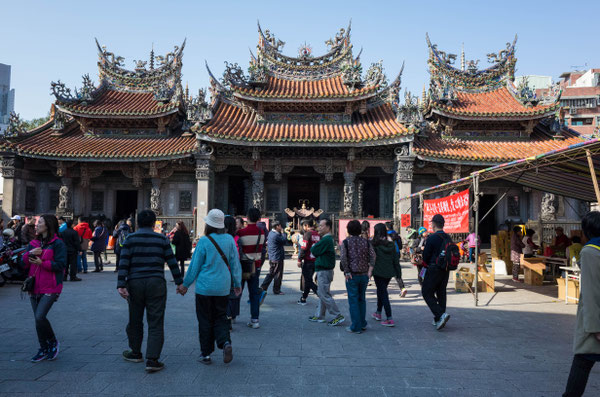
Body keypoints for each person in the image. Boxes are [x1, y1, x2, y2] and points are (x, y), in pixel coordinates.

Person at [117, 209, 183, 373]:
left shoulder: (130, 239)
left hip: (135, 283)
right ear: (154, 223)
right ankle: (152, 360)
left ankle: (135, 352)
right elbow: (172, 262)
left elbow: (123, 262)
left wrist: (121, 284)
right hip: (156, 283)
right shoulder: (161, 239)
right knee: (155, 321)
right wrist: (179, 283)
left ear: (138, 223)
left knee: (135, 319)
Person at [179, 209, 242, 365]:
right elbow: (235, 264)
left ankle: (206, 354)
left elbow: (195, 266)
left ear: (208, 224)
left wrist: (185, 285)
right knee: (221, 316)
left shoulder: (204, 241)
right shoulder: (229, 239)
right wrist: (237, 283)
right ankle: (225, 342)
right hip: (223, 287)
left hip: (204, 288)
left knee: (205, 319)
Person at [563, 211, 600, 397]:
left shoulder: (590, 252)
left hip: (594, 322)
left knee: (582, 362)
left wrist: (595, 327)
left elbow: (591, 292)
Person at [22, 214, 67, 362]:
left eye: (39, 222)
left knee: (40, 316)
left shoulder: (58, 243)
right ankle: (43, 348)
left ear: (47, 224)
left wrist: (43, 262)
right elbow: (24, 264)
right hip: (34, 285)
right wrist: (29, 254)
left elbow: (61, 265)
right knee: (38, 319)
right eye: (36, 222)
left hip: (51, 285)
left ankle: (53, 342)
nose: (36, 224)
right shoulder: (34, 243)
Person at [340, 219, 375, 334]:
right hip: (364, 275)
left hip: (352, 275)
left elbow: (343, 258)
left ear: (349, 230)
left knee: (353, 300)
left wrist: (347, 271)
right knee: (361, 299)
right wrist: (370, 270)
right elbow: (373, 256)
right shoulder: (365, 242)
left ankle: (356, 326)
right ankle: (362, 323)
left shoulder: (346, 242)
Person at [310, 219, 345, 326]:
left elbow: (314, 250)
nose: (319, 228)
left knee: (324, 293)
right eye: (319, 226)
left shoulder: (326, 239)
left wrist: (314, 247)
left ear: (328, 227)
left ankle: (337, 315)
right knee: (322, 293)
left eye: (321, 226)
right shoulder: (326, 239)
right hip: (324, 270)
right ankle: (320, 315)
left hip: (324, 270)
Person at [236, 208, 266, 329]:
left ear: (246, 218)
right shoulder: (261, 232)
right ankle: (255, 320)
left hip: (243, 266)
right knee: (253, 294)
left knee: (238, 291)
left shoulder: (241, 233)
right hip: (256, 266)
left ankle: (232, 316)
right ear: (259, 218)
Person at [421, 214, 452, 330]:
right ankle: (438, 318)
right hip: (446, 269)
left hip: (434, 268)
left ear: (433, 224)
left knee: (426, 292)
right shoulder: (448, 237)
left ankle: (440, 315)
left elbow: (426, 256)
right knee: (441, 292)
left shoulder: (432, 238)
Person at [369, 223, 400, 327]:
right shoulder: (391, 243)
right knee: (381, 291)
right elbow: (396, 259)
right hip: (389, 272)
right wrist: (398, 274)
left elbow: (371, 258)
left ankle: (389, 318)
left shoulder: (374, 243)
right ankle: (378, 312)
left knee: (383, 293)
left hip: (378, 272)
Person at [224, 215, 242, 326]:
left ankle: (227, 316)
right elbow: (238, 257)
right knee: (232, 294)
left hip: (221, 271)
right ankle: (230, 316)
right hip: (233, 270)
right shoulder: (237, 239)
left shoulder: (220, 238)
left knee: (224, 295)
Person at [297, 219, 319, 305]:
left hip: (308, 261)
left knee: (308, 280)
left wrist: (299, 259)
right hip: (315, 260)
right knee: (308, 279)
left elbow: (303, 248)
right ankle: (303, 298)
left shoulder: (307, 234)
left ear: (306, 226)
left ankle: (320, 294)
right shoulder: (318, 234)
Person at [261, 220, 286, 295]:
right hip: (277, 257)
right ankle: (276, 289)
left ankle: (263, 287)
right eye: (280, 226)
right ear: (277, 226)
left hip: (273, 256)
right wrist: (283, 233)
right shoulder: (276, 235)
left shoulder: (271, 233)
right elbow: (284, 240)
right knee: (277, 274)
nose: (281, 227)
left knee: (272, 273)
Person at [385, 221, 408, 297]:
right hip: (397, 254)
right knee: (396, 272)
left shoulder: (385, 235)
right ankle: (402, 288)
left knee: (386, 272)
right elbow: (400, 246)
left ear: (387, 227)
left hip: (388, 255)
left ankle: (383, 289)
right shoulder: (397, 235)